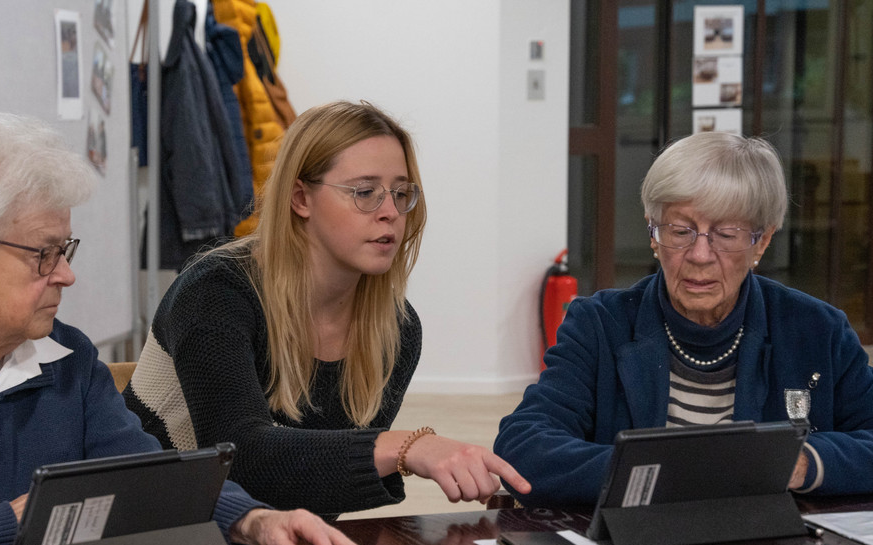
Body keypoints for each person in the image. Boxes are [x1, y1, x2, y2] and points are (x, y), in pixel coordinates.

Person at [0, 111, 372, 545]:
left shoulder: (69, 359)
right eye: (43, 255)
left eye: (65, 249)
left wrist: (254, 521)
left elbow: (148, 473)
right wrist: (12, 521)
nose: (66, 275)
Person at [124, 100, 530, 515]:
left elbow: (323, 487)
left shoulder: (397, 328)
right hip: (160, 529)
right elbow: (239, 458)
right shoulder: (214, 291)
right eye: (365, 192)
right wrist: (409, 446)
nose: (390, 212)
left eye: (401, 193)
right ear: (301, 197)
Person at [495, 132, 873, 507]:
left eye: (726, 234)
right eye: (680, 231)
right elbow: (525, 445)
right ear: (653, 234)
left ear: (762, 241)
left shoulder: (816, 330)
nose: (700, 255)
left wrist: (801, 463)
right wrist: (664, 472)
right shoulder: (599, 324)